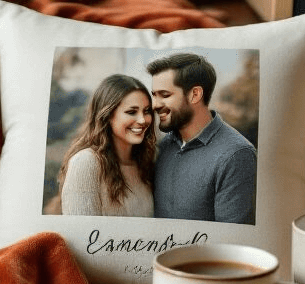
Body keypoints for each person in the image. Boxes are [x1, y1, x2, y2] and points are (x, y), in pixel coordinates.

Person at [147, 52, 257, 224]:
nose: (155, 105)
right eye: (154, 95)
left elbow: (231, 241)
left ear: (195, 94)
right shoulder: (164, 146)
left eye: (165, 95)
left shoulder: (236, 155)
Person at [59, 74, 155, 217]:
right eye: (131, 112)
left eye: (147, 111)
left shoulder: (144, 164)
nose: (142, 120)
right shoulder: (85, 163)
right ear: (108, 115)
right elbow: (82, 233)